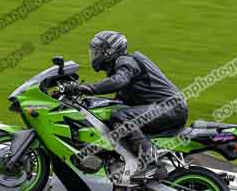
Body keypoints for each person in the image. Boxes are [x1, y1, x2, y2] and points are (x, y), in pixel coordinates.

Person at [65, 30, 188, 181]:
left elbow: (118, 81)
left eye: (97, 52)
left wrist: (89, 88)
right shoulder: (122, 68)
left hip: (169, 108)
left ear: (110, 51)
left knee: (121, 116)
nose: (94, 56)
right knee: (112, 115)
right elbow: (117, 101)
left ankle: (150, 164)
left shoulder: (126, 62)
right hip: (165, 108)